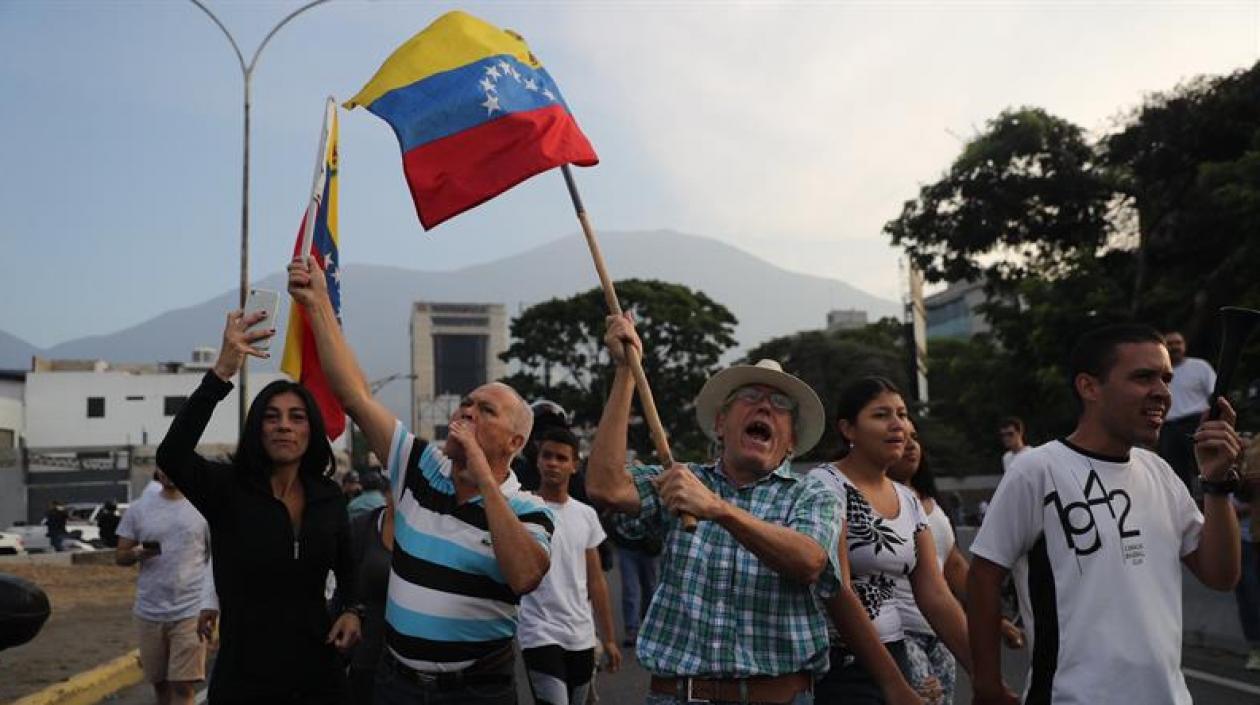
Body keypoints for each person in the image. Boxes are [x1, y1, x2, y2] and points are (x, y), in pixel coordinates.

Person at [288, 256, 553, 705]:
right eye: (466, 403)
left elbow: (525, 575)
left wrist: (482, 476)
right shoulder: (419, 463)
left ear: (514, 442)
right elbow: (355, 396)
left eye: (485, 410)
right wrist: (318, 307)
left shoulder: (530, 509)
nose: (467, 411)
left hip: (476, 693)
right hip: (398, 686)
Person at [968, 323, 1242, 705]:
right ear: (1089, 387)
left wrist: (1216, 484)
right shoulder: (1037, 470)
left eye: (1166, 379)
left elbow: (1221, 575)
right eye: (1143, 377)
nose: (1163, 393)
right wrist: (987, 685)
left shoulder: (1160, 472)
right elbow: (983, 576)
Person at [587, 314, 842, 705]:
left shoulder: (811, 495)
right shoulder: (679, 481)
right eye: (750, 398)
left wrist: (719, 510)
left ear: (791, 441)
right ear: (721, 424)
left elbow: (808, 561)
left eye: (779, 404)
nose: (765, 408)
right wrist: (624, 371)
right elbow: (605, 486)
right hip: (678, 696)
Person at [156, 310, 362, 705]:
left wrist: (352, 612)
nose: (284, 425)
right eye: (271, 417)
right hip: (244, 681)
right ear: (257, 429)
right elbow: (173, 453)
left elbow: (348, 570)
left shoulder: (328, 497)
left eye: (296, 417)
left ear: (310, 430)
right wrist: (220, 375)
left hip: (320, 679)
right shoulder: (226, 490)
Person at [810, 377, 989, 705]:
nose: (898, 425)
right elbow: (839, 589)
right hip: (840, 665)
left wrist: (986, 675)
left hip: (896, 653)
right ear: (848, 429)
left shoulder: (908, 500)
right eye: (881, 415)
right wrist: (894, 685)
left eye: (903, 415)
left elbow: (936, 595)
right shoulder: (825, 486)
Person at [886, 423, 1024, 705]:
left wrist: (995, 620)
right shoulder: (873, 500)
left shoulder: (931, 504)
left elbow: (955, 570)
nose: (910, 444)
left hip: (940, 635)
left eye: (915, 437)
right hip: (901, 634)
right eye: (901, 437)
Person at [519, 427, 622, 705]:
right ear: (538, 461)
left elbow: (596, 581)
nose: (553, 463)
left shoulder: (585, 514)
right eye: (547, 456)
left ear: (574, 466)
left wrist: (609, 639)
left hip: (581, 635)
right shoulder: (520, 508)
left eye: (562, 458)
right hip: (538, 631)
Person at [115, 470, 211, 705]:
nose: (170, 472)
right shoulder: (139, 509)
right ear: (158, 471)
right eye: (164, 466)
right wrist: (137, 553)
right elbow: (121, 555)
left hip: (190, 610)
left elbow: (213, 559)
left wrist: (212, 604)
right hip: (149, 609)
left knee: (182, 684)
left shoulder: (204, 508)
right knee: (160, 685)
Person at [344, 474, 395, 705]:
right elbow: (345, 584)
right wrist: (351, 611)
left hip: (419, 667)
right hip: (367, 653)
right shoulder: (364, 526)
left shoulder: (437, 531)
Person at [1158, 330, 1218, 493]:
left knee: (1206, 467)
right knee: (1176, 472)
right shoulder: (1158, 372)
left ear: (1184, 345)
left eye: (1178, 343)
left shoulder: (1200, 366)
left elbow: (1215, 395)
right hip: (1169, 426)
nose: (1175, 347)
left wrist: (1211, 420)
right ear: (1164, 347)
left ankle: (1212, 505)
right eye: (1170, 344)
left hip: (1197, 423)